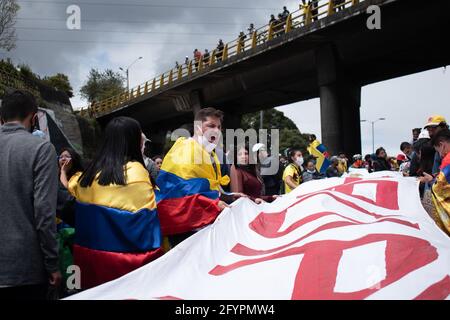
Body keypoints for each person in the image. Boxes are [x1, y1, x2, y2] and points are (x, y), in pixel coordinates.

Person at [67, 117, 163, 289]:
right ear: (133, 141)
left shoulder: (87, 174)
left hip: (89, 264)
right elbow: (151, 220)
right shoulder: (136, 172)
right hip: (124, 268)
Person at [0, 90, 61, 300]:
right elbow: (44, 213)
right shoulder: (41, 149)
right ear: (34, 118)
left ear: (1, 118)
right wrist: (52, 263)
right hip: (24, 268)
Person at [156, 108, 235, 248]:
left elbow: (208, 187)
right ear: (197, 128)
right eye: (211, 126)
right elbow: (180, 193)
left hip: (202, 223)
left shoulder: (210, 153)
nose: (216, 131)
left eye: (219, 127)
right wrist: (212, 204)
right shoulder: (185, 150)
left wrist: (230, 195)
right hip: (185, 230)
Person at [420, 129, 450, 235]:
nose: (440, 155)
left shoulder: (448, 160)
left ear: (442, 145)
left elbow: (440, 188)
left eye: (438, 151)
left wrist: (430, 180)